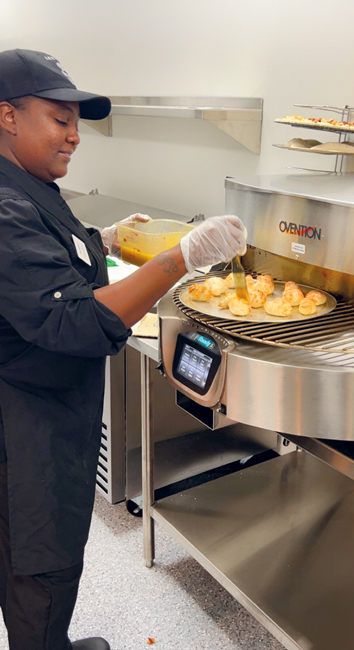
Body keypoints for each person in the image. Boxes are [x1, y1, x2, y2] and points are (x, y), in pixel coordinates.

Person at [0, 49, 247, 650]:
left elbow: (56, 249)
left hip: (50, 403)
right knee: (42, 558)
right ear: (7, 116)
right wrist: (180, 258)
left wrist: (104, 240)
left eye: (76, 122)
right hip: (28, 422)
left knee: (31, 552)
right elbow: (76, 321)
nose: (74, 136)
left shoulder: (30, 183)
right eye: (60, 119)